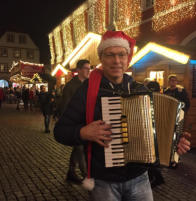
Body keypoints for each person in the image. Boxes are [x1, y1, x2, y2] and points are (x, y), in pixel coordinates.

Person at [54, 31, 191, 201]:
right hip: (104, 182)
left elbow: (158, 129)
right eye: (110, 55)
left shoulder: (140, 90)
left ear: (128, 58)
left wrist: (174, 145)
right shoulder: (88, 91)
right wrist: (83, 132)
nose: (116, 60)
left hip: (140, 179)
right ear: (101, 58)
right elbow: (60, 131)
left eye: (121, 54)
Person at [60, 59, 90, 184]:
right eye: (86, 68)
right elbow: (65, 107)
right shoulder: (71, 86)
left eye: (89, 68)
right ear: (78, 70)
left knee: (78, 149)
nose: (88, 71)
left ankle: (71, 173)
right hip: (75, 124)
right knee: (80, 149)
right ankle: (88, 177)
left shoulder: (88, 84)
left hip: (86, 123)